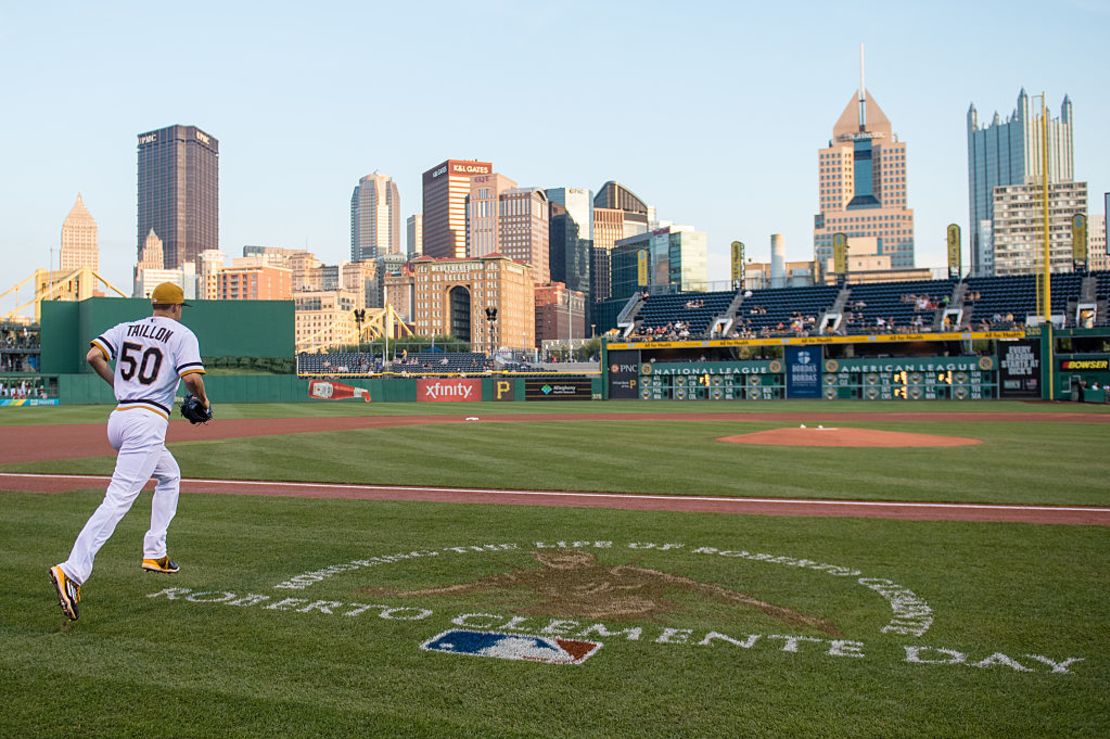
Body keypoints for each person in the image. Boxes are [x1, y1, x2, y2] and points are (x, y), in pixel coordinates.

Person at [49, 283, 210, 622]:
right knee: (117, 500)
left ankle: (155, 551)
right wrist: (205, 402)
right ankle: (72, 571)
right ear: (178, 307)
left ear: (154, 305)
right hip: (146, 422)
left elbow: (93, 355)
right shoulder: (182, 334)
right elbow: (193, 379)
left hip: (120, 418)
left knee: (169, 475)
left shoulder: (126, 328)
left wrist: (119, 386)